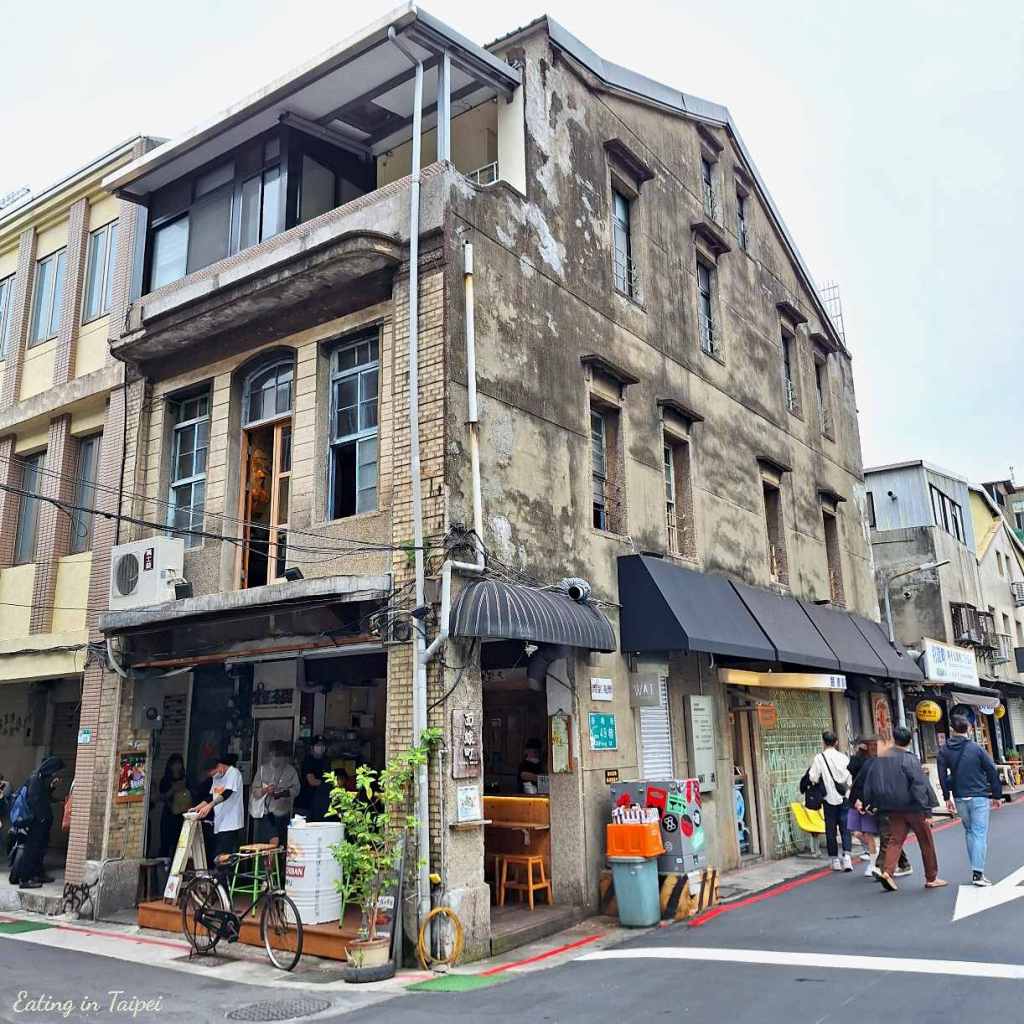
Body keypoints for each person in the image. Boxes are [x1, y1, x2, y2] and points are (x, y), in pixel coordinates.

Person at [862, 725, 946, 892]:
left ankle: (887, 872)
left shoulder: (881, 759)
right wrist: (927, 809)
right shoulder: (909, 759)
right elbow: (919, 784)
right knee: (925, 841)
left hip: (892, 807)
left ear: (894, 739)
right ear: (909, 742)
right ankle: (931, 877)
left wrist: (870, 803)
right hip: (913, 806)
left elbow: (870, 782)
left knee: (895, 840)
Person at [937, 714, 1003, 887]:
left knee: (969, 832)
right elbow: (991, 770)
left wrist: (946, 797)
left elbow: (942, 776)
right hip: (979, 795)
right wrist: (997, 795)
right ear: (969, 729)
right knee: (979, 833)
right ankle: (977, 873)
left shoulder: (944, 750)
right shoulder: (976, 748)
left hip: (959, 796)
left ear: (951, 729)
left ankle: (975, 870)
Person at [10, 756, 63, 889]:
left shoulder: (42, 780)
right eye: (56, 771)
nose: (56, 774)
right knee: (31, 850)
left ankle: (37, 874)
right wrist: (41, 818)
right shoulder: (35, 780)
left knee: (40, 850)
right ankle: (24, 879)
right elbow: (34, 801)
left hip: (41, 823)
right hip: (35, 823)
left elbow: (45, 797)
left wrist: (52, 787)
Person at [807, 731, 853, 872]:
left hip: (828, 799)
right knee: (845, 827)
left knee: (830, 829)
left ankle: (835, 860)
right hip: (844, 797)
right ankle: (847, 857)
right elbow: (850, 777)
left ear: (823, 742)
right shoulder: (843, 757)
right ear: (836, 742)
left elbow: (813, 777)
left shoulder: (819, 758)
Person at [190, 754, 244, 861]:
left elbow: (227, 793)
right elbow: (211, 796)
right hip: (219, 822)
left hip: (231, 823)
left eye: (213, 772)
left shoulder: (233, 773)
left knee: (225, 856)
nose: (213, 776)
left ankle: (226, 872)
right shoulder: (217, 777)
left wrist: (209, 806)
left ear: (220, 766)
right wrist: (197, 808)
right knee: (218, 855)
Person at [250, 742, 300, 846]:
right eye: (274, 754)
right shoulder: (262, 770)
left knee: (281, 842)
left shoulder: (290, 771)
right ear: (270, 755)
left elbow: (296, 790)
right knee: (268, 842)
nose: (277, 758)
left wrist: (281, 793)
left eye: (279, 755)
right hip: (266, 813)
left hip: (283, 812)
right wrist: (265, 790)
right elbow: (255, 791)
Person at [847, 737, 881, 876]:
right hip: (855, 800)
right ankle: (876, 852)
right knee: (856, 832)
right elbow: (851, 768)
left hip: (867, 802)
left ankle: (873, 864)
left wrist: (865, 802)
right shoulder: (860, 760)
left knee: (868, 833)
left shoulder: (876, 762)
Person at [157, 754, 192, 859]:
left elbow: (191, 794)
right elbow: (162, 797)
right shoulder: (165, 780)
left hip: (182, 815)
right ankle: (164, 864)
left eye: (179, 763)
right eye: (175, 764)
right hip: (169, 815)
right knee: (166, 842)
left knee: (179, 842)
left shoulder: (186, 779)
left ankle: (176, 863)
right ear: (170, 765)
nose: (177, 766)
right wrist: (173, 789)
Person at [296, 736, 330, 821]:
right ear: (312, 747)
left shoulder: (326, 761)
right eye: (318, 745)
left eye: (322, 745)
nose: (321, 747)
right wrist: (327, 783)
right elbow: (312, 781)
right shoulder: (308, 761)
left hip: (321, 803)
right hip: (306, 803)